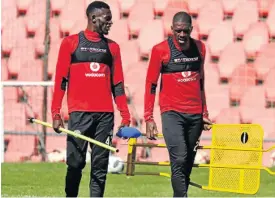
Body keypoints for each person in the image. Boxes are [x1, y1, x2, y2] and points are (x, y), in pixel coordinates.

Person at [51, 1, 131, 197]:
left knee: (100, 167)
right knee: (75, 163)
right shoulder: (70, 43)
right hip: (79, 115)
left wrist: (125, 116)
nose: (110, 23)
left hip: (105, 117)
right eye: (107, 18)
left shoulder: (113, 48)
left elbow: (118, 85)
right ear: (93, 18)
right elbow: (61, 80)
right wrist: (55, 112)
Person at [144, 11, 212, 197]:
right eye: (178, 31)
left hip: (195, 114)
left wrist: (204, 112)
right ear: (172, 29)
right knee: (179, 157)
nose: (182, 35)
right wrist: (148, 118)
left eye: (185, 31)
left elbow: (201, 82)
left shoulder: (200, 48)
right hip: (172, 112)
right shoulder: (160, 50)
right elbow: (151, 84)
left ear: (191, 29)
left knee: (187, 161)